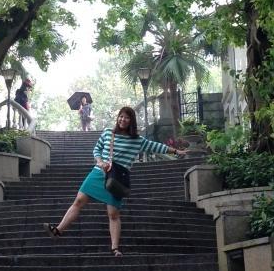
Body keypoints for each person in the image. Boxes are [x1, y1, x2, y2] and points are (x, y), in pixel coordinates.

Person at [45, 106, 186, 257]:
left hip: (117, 179)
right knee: (78, 201)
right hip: (99, 173)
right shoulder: (108, 133)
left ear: (131, 121)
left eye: (126, 117)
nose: (122, 119)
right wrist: (100, 162)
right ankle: (58, 230)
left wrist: (176, 151)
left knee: (113, 213)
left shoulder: (137, 140)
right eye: (121, 116)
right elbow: (97, 149)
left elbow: (156, 146)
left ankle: (115, 248)